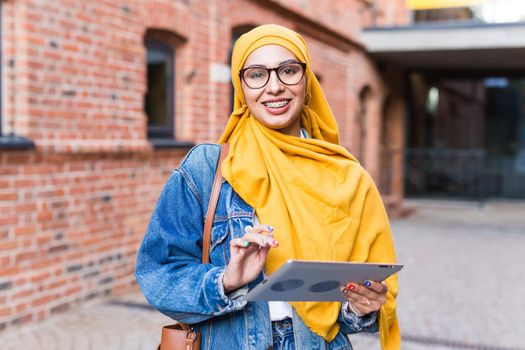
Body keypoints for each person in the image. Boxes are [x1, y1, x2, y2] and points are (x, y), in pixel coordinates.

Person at [135, 24, 400, 350]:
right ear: (241, 85)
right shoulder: (206, 169)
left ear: (307, 82)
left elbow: (347, 307)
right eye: (257, 74)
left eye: (288, 71)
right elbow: (157, 274)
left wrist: (361, 307)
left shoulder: (346, 176)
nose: (274, 87)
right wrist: (226, 281)